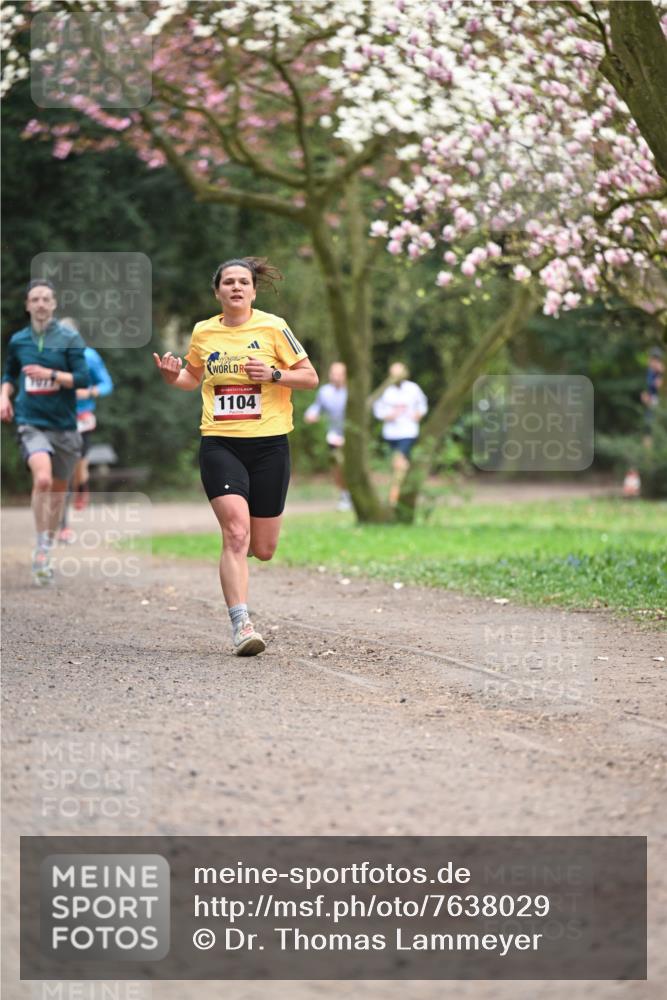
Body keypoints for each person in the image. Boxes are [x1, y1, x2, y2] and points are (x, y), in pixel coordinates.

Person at [153, 256, 318, 656]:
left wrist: (275, 375)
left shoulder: (274, 327)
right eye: (228, 282)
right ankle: (241, 625)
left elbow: (310, 377)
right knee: (235, 532)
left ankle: (239, 570)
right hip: (220, 443)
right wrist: (172, 376)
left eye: (243, 282)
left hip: (270, 445)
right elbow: (192, 378)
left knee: (262, 548)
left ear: (253, 290)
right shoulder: (203, 332)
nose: (236, 287)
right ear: (218, 291)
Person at [1, 279, 89, 584]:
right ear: (27, 305)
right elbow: (9, 374)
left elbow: (82, 379)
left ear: (53, 304)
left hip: (64, 426)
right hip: (30, 421)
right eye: (35, 299)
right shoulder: (18, 341)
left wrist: (50, 374)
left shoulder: (69, 338)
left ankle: (46, 546)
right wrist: (3, 396)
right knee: (42, 477)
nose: (40, 304)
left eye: (46, 299)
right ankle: (41, 545)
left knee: (58, 492)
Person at [57, 318, 114, 542]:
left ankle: (83, 485)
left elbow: (107, 384)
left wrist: (89, 392)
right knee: (63, 472)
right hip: (58, 419)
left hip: (83, 418)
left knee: (79, 469)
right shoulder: (51, 358)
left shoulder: (89, 356)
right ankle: (64, 526)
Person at [372, 361, 428, 505]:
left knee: (399, 461)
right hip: (391, 433)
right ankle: (404, 491)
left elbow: (422, 405)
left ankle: (393, 496)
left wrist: (418, 414)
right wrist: (388, 415)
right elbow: (377, 409)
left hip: (408, 432)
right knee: (399, 465)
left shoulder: (413, 388)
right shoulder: (386, 391)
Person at [304, 361, 351, 511]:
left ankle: (351, 494)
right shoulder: (325, 391)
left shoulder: (352, 391)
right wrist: (311, 414)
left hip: (351, 435)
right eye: (333, 374)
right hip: (334, 435)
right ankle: (344, 495)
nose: (335, 377)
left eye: (339, 374)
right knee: (338, 465)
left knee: (350, 466)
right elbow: (317, 407)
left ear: (345, 376)